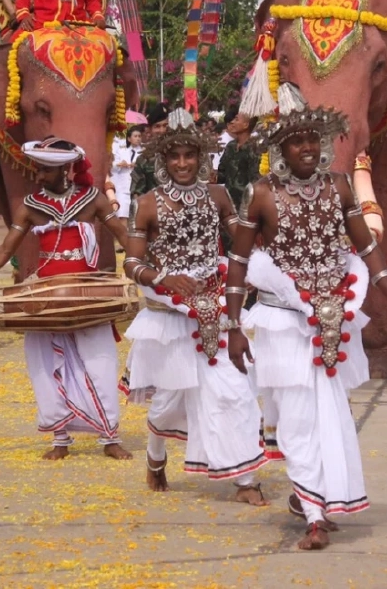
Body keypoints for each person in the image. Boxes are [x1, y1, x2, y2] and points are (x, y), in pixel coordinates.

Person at [225, 84, 387, 551]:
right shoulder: (262, 195)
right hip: (282, 323)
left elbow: (367, 249)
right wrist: (232, 326)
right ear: (279, 149)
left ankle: (313, 500)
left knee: (329, 414)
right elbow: (238, 264)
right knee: (296, 416)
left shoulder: (339, 185)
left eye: (313, 138)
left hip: (334, 319)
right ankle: (313, 510)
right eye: (296, 141)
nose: (308, 147)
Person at [0, 138, 132, 459]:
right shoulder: (30, 206)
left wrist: (149, 266)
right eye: (38, 169)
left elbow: (124, 236)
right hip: (46, 297)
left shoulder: (93, 199)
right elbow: (5, 250)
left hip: (88, 293)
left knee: (100, 362)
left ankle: (109, 438)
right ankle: (60, 439)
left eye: (46, 170)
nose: (39, 176)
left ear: (67, 170)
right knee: (48, 364)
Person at [122, 110, 267, 503]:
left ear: (202, 157)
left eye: (190, 155)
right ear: (163, 160)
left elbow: (241, 239)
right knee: (168, 405)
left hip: (214, 304)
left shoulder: (218, 195)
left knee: (234, 389)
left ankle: (245, 480)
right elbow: (131, 262)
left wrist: (261, 252)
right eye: (175, 156)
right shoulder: (147, 204)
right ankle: (155, 455)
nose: (183, 163)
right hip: (170, 312)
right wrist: (162, 278)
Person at [216, 113, 260, 209]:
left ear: (246, 125)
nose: (232, 122)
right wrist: (213, 176)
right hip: (229, 203)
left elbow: (255, 180)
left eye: (236, 119)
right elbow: (222, 173)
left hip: (247, 205)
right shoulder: (230, 146)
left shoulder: (254, 148)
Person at [111, 125, 144, 219]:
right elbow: (112, 166)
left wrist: (138, 165)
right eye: (135, 136)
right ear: (129, 138)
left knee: (137, 216)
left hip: (137, 188)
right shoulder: (122, 151)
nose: (138, 139)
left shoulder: (143, 153)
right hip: (123, 187)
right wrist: (120, 164)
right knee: (122, 215)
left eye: (139, 136)